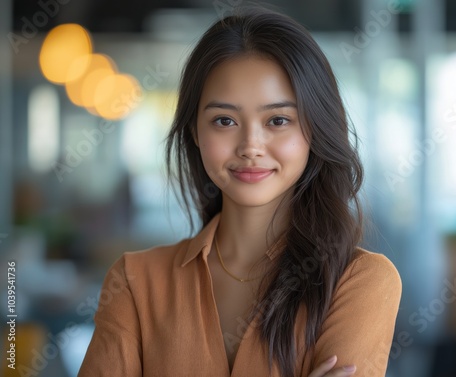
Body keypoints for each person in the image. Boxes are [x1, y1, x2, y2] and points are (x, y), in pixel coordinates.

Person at [78, 6, 402, 377]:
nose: (251, 145)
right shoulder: (134, 282)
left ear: (316, 129)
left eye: (278, 120)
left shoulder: (361, 281)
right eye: (225, 120)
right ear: (195, 132)